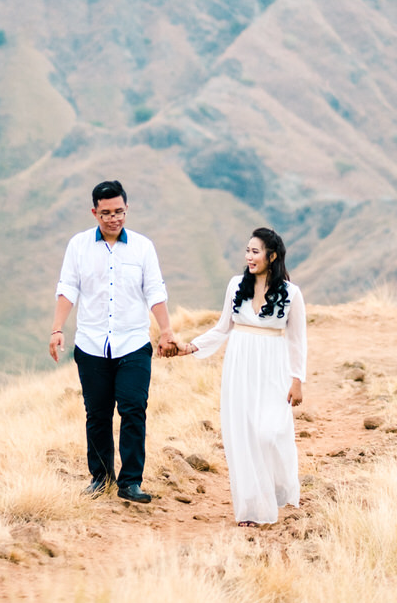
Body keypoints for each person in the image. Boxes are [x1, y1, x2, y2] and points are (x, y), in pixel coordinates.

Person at [49, 179, 178, 503]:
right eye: (106, 213)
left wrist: (166, 331)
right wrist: (57, 328)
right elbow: (68, 288)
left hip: (133, 341)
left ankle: (130, 482)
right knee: (97, 413)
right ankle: (101, 477)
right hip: (92, 343)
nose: (113, 218)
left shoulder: (142, 247)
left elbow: (155, 291)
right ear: (95, 212)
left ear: (126, 209)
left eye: (119, 211)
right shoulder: (78, 246)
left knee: (134, 408)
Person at [174, 228, 306, 526]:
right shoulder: (236, 286)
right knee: (244, 436)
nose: (249, 256)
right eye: (247, 251)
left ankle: (279, 487)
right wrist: (192, 346)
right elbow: (222, 328)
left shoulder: (291, 293)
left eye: (255, 251)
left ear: (272, 256)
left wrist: (297, 379)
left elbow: (298, 340)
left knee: (270, 432)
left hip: (274, 366)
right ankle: (252, 508)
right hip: (240, 365)